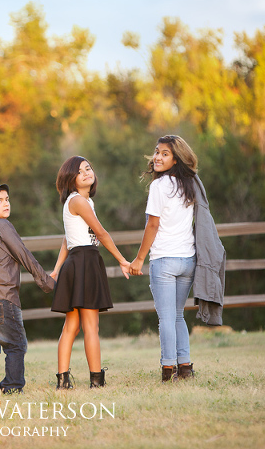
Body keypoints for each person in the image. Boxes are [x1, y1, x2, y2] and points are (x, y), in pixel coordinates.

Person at [129, 135, 223, 382]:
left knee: (167, 318)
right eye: (157, 152)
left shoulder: (159, 187)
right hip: (187, 260)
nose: (158, 157)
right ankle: (185, 368)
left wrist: (139, 259)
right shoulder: (190, 184)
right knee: (178, 315)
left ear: (176, 158)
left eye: (165, 154)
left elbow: (152, 225)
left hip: (164, 260)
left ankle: (168, 369)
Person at [50, 157, 131, 389]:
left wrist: (56, 270)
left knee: (72, 327)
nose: (86, 173)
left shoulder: (81, 202)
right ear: (70, 179)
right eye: (79, 171)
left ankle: (63, 381)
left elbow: (67, 239)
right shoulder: (78, 201)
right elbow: (102, 234)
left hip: (78, 261)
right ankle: (96, 380)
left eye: (88, 168)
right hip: (84, 261)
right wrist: (122, 260)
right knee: (90, 326)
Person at [0, 180, 56, 394]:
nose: (6, 204)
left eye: (7, 199)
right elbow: (24, 255)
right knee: (16, 344)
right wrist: (47, 282)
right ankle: (12, 388)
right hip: (1, 296)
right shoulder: (2, 226)